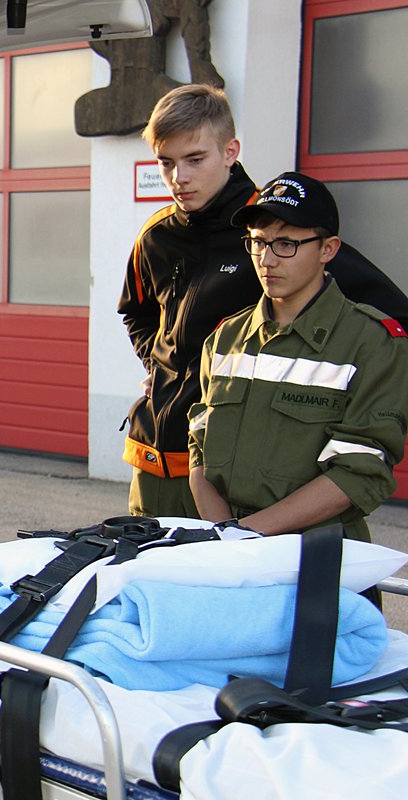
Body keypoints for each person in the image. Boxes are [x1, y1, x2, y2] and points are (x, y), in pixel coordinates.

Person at [117, 83, 408, 518]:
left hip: (232, 477)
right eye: (167, 162)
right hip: (152, 457)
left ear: (231, 151)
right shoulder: (156, 236)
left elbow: (387, 322)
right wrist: (160, 369)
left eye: (195, 159)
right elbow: (135, 312)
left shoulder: (275, 229)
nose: (180, 177)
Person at [188, 171, 408, 540]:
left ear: (328, 249)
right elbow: (199, 450)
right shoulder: (225, 338)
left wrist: (245, 534)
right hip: (227, 549)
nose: (267, 260)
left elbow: (358, 472)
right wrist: (223, 536)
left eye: (286, 244)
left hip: (317, 555)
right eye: (258, 242)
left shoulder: (372, 343)